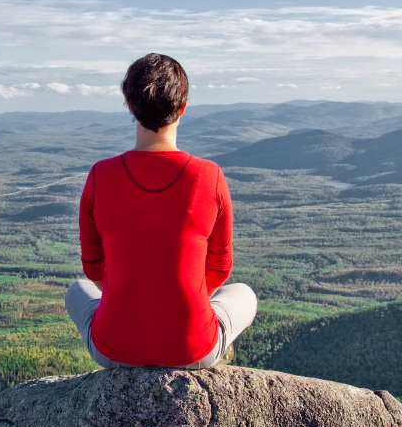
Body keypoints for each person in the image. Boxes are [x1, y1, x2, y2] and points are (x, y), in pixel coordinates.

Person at [64, 53, 258, 369]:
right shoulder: (209, 176)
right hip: (193, 349)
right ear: (183, 108)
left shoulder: (101, 175)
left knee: (76, 291)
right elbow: (220, 267)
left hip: (114, 348)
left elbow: (94, 269)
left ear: (130, 106)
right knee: (245, 294)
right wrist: (179, 304)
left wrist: (135, 302)